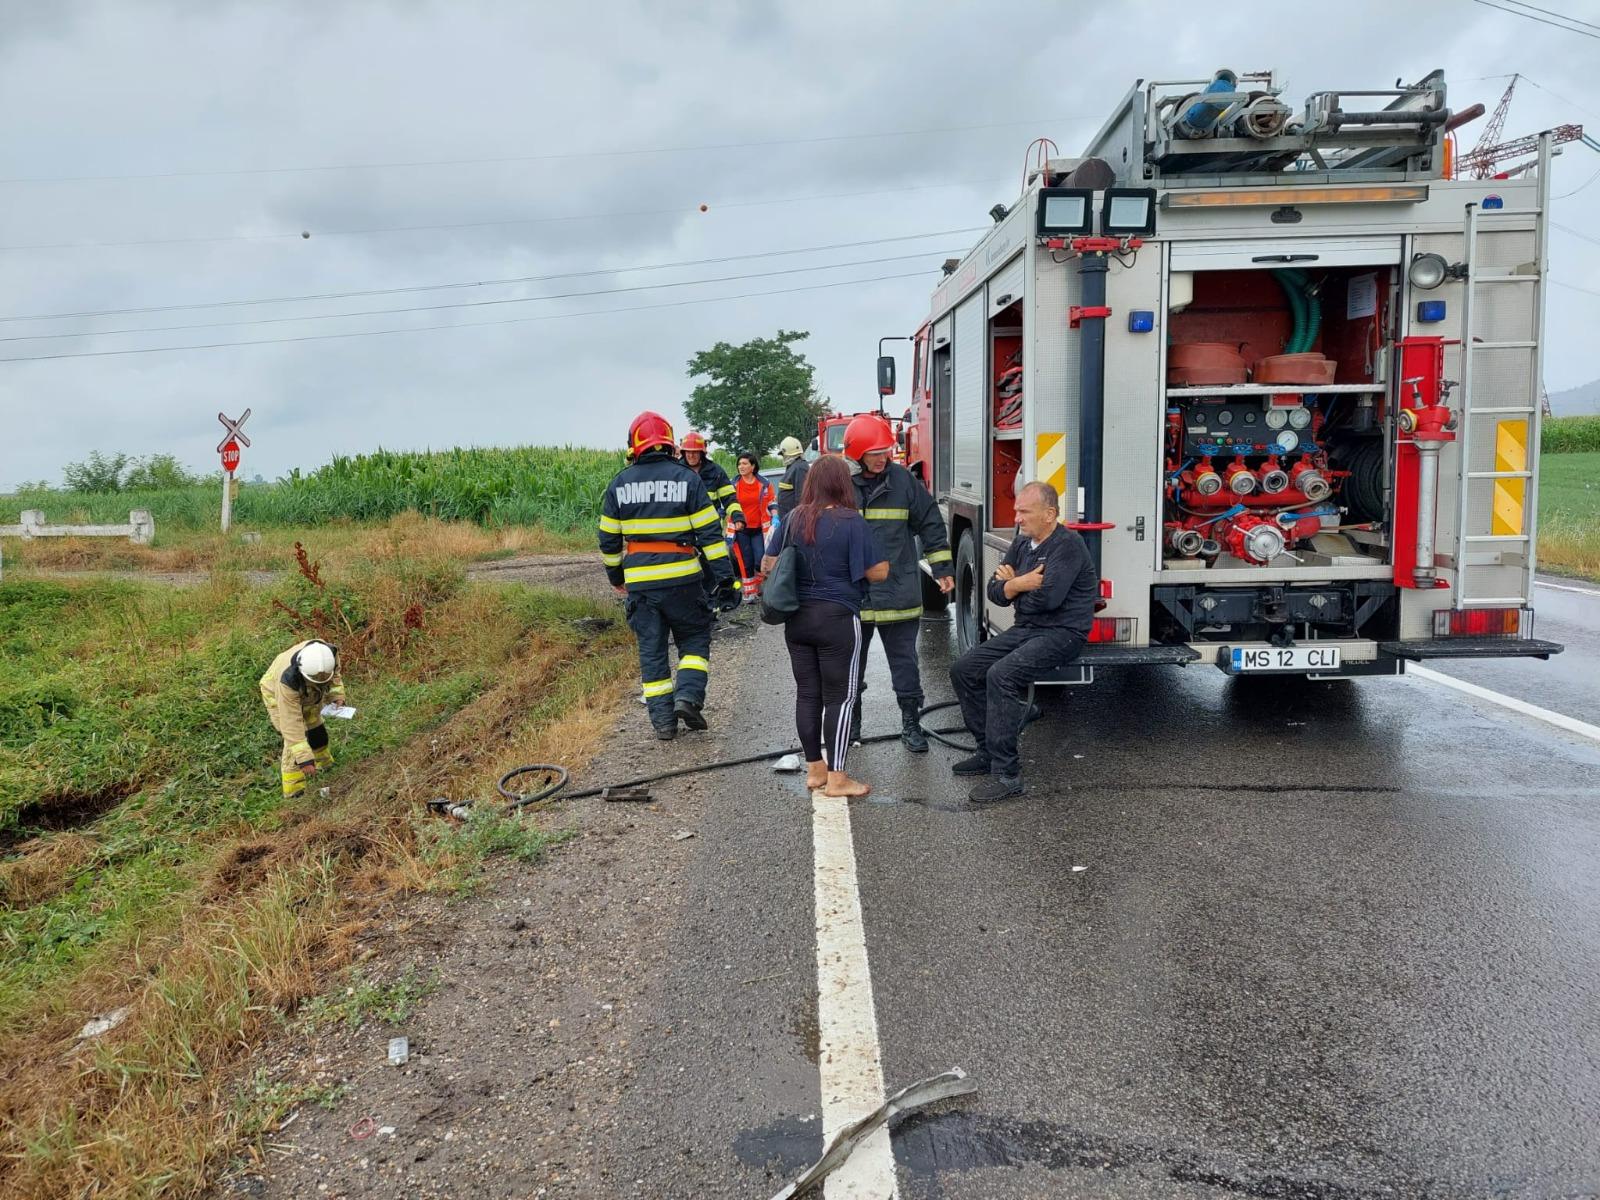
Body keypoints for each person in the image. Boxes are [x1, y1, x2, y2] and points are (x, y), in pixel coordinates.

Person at [949, 481, 1098, 803]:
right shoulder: (1022, 544)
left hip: (1062, 633)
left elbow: (1049, 599)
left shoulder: (1067, 545)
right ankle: (987, 751)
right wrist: (1020, 583)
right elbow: (992, 593)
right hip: (1028, 628)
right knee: (963, 669)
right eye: (1016, 510)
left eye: (1024, 511)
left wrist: (1012, 587)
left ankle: (1007, 774)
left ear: (1049, 514)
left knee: (1001, 675)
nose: (1016, 517)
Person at [599, 411, 740, 740]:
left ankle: (663, 723)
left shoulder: (619, 484)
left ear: (635, 447)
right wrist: (725, 579)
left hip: (641, 585)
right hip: (683, 582)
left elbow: (607, 539)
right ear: (669, 444)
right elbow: (710, 536)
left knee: (652, 651)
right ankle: (688, 697)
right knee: (694, 638)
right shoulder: (687, 480)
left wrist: (616, 577)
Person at [762, 456, 889, 797]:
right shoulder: (852, 522)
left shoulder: (792, 518)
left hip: (798, 620)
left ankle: (815, 770)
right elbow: (879, 572)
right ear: (841, 484)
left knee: (807, 693)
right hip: (838, 619)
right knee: (841, 699)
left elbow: (768, 563)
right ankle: (838, 778)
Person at [843, 413, 953, 752]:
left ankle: (911, 725)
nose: (883, 457)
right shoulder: (842, 487)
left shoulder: (904, 482)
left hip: (898, 589)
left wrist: (942, 568)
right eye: (875, 452)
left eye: (886, 450)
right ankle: (851, 728)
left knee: (905, 664)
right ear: (857, 453)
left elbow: (931, 523)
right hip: (854, 596)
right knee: (849, 667)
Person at [259, 638, 346, 799]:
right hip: (275, 693)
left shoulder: (328, 655)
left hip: (308, 690)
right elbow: (291, 725)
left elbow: (335, 675)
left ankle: (323, 763)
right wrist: (304, 759)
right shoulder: (288, 682)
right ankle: (294, 791)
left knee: (315, 726)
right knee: (296, 741)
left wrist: (336, 695)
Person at [729, 451, 774, 584]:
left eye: (744, 463)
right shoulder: (734, 484)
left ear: (753, 466)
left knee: (760, 559)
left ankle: (761, 585)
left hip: (759, 529)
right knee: (745, 561)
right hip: (742, 529)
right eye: (739, 464)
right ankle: (750, 592)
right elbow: (727, 503)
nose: (741, 467)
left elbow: (772, 502)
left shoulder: (764, 484)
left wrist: (775, 516)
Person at [680, 432, 736, 519]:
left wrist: (737, 516)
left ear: (701, 453)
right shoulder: (677, 471)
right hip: (685, 527)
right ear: (683, 453)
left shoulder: (716, 471)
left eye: (695, 452)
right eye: (688, 452)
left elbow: (729, 497)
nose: (691, 455)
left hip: (711, 527)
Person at [774, 435, 810, 522]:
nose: (783, 457)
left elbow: (802, 498)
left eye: (783, 455)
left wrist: (799, 522)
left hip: (795, 522)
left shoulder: (800, 468)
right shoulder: (793, 467)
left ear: (787, 453)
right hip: (788, 520)